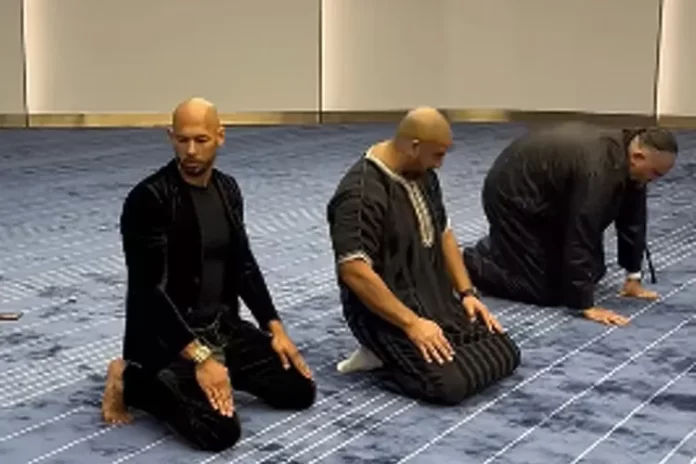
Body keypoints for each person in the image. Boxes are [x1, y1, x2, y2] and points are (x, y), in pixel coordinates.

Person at [100, 97, 316, 452]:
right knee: (219, 432)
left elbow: (244, 264)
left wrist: (275, 327)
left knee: (298, 390)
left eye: (200, 140)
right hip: (171, 340)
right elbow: (148, 291)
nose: (190, 151)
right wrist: (200, 357)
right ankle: (131, 377)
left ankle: (220, 370)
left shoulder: (227, 189)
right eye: (182, 139)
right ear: (170, 137)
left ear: (220, 137)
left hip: (222, 327)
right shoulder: (149, 198)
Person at [326, 107, 521, 406]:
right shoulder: (360, 194)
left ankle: (405, 353)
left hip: (435, 302)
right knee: (449, 386)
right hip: (386, 316)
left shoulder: (422, 173)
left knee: (506, 352)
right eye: (437, 155)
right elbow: (354, 271)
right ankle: (381, 355)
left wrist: (467, 294)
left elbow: (444, 234)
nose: (440, 164)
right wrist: (412, 324)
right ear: (414, 147)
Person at [463, 122, 678, 326]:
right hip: (513, 198)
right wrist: (584, 305)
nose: (655, 180)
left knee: (593, 272)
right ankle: (472, 263)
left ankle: (505, 248)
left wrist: (633, 277)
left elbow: (633, 218)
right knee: (547, 292)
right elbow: (582, 231)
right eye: (655, 173)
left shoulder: (631, 161)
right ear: (638, 157)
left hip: (552, 199)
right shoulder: (599, 171)